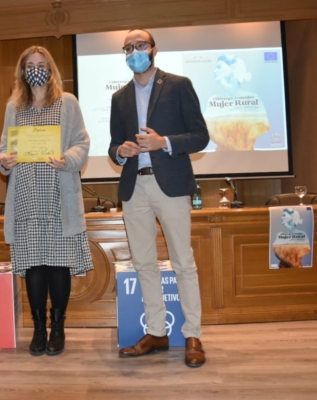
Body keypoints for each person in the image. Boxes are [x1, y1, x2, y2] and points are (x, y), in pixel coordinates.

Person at [108, 29, 209, 367]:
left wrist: (163, 142)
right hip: (134, 187)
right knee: (144, 264)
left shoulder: (178, 85)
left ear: (153, 49)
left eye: (141, 45)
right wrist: (120, 151)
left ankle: (192, 333)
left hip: (172, 184)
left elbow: (200, 136)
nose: (135, 51)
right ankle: (156, 332)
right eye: (129, 47)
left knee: (184, 262)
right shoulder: (119, 97)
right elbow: (113, 144)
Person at [0, 46, 93, 356]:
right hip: (26, 197)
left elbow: (82, 142)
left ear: (51, 68)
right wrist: (4, 161)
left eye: (41, 64)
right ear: (22, 71)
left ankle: (58, 326)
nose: (36, 69)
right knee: (34, 266)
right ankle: (38, 328)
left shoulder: (67, 103)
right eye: (30, 65)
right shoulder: (14, 107)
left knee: (58, 265)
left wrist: (66, 159)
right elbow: (2, 149)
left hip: (58, 196)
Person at [203, 55, 271, 151]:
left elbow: (262, 128)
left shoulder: (253, 98)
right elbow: (205, 130)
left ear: (233, 69)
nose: (214, 71)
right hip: (220, 158)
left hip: (249, 158)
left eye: (219, 67)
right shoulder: (213, 100)